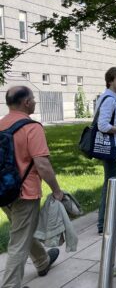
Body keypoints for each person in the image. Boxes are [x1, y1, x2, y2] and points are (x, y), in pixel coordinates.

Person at [0, 86, 64, 288]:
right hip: (25, 193)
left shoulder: (0, 125)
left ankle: (42, 261)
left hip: (3, 190)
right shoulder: (32, 127)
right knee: (18, 241)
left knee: (22, 231)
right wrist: (56, 190)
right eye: (33, 99)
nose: (35, 102)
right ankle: (10, 286)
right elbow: (43, 165)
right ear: (26, 102)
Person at [96, 67, 116, 235]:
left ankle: (105, 221)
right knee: (111, 186)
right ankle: (104, 224)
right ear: (110, 81)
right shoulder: (109, 99)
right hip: (112, 149)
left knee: (109, 184)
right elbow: (102, 125)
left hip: (111, 148)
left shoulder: (108, 97)